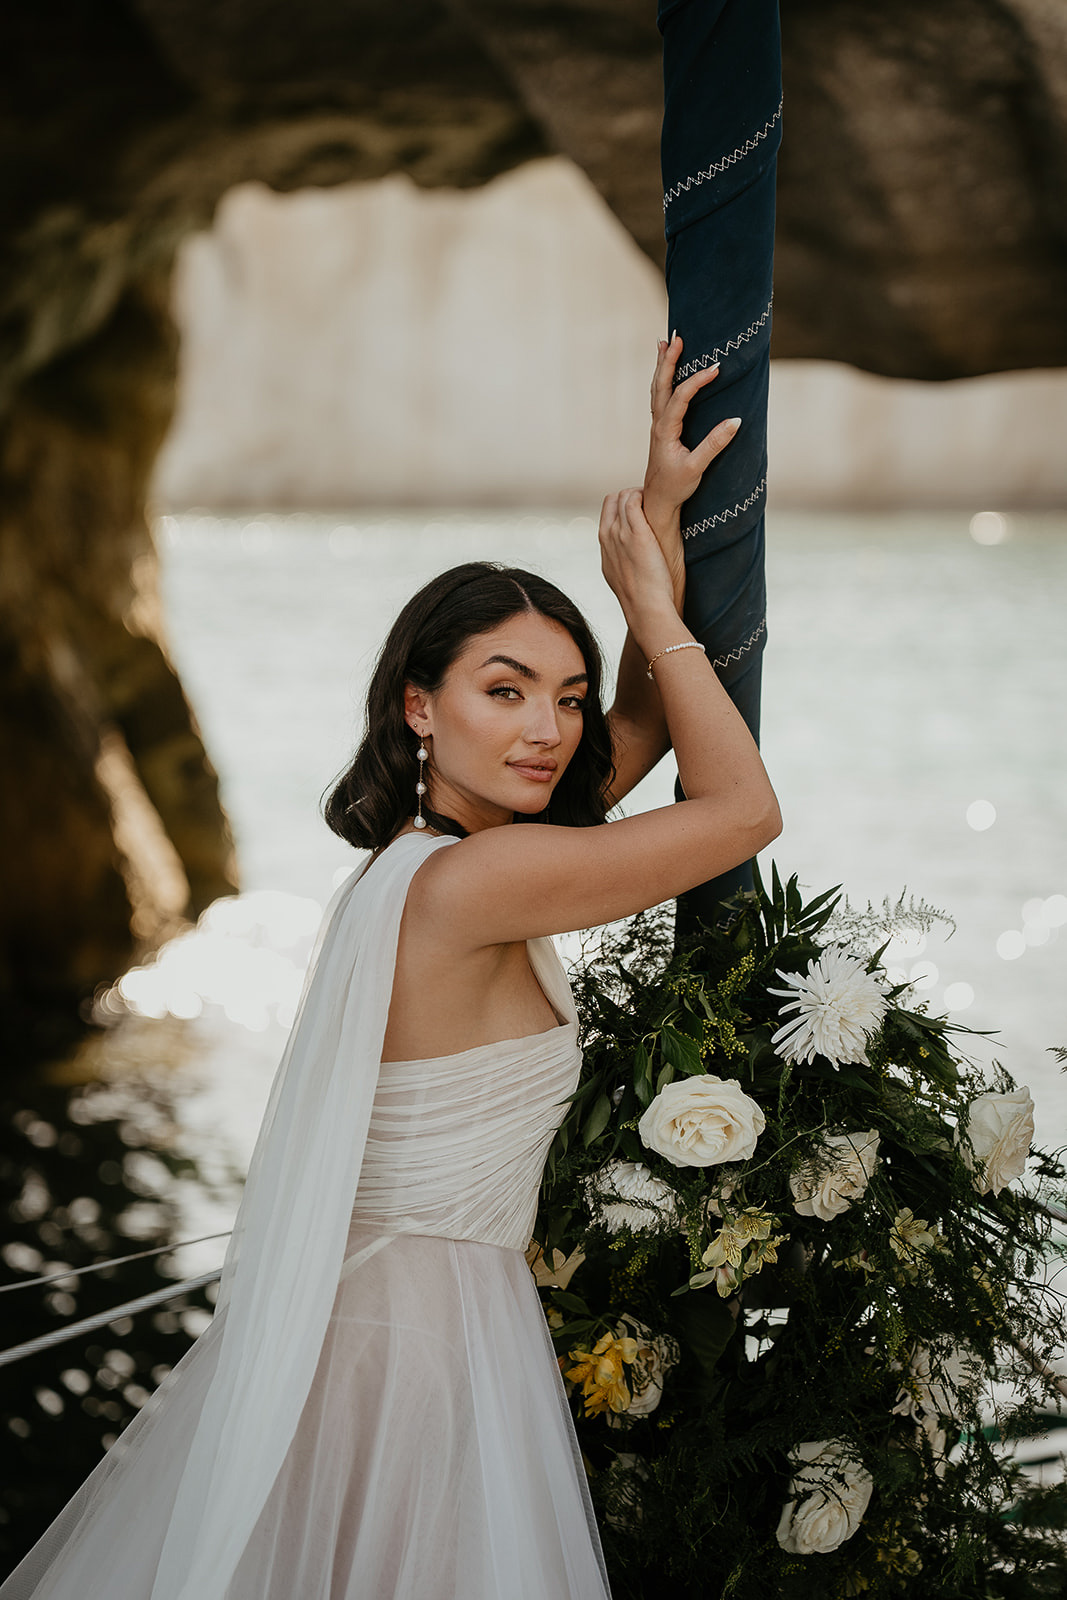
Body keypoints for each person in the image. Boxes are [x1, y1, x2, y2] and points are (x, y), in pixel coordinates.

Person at [0, 340, 780, 1600]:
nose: (547, 728)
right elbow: (740, 810)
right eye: (504, 688)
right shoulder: (478, 883)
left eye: (562, 697)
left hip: (385, 1325)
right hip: (425, 1347)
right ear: (419, 706)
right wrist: (644, 604)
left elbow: (638, 733)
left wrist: (654, 519)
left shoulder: (429, 864)